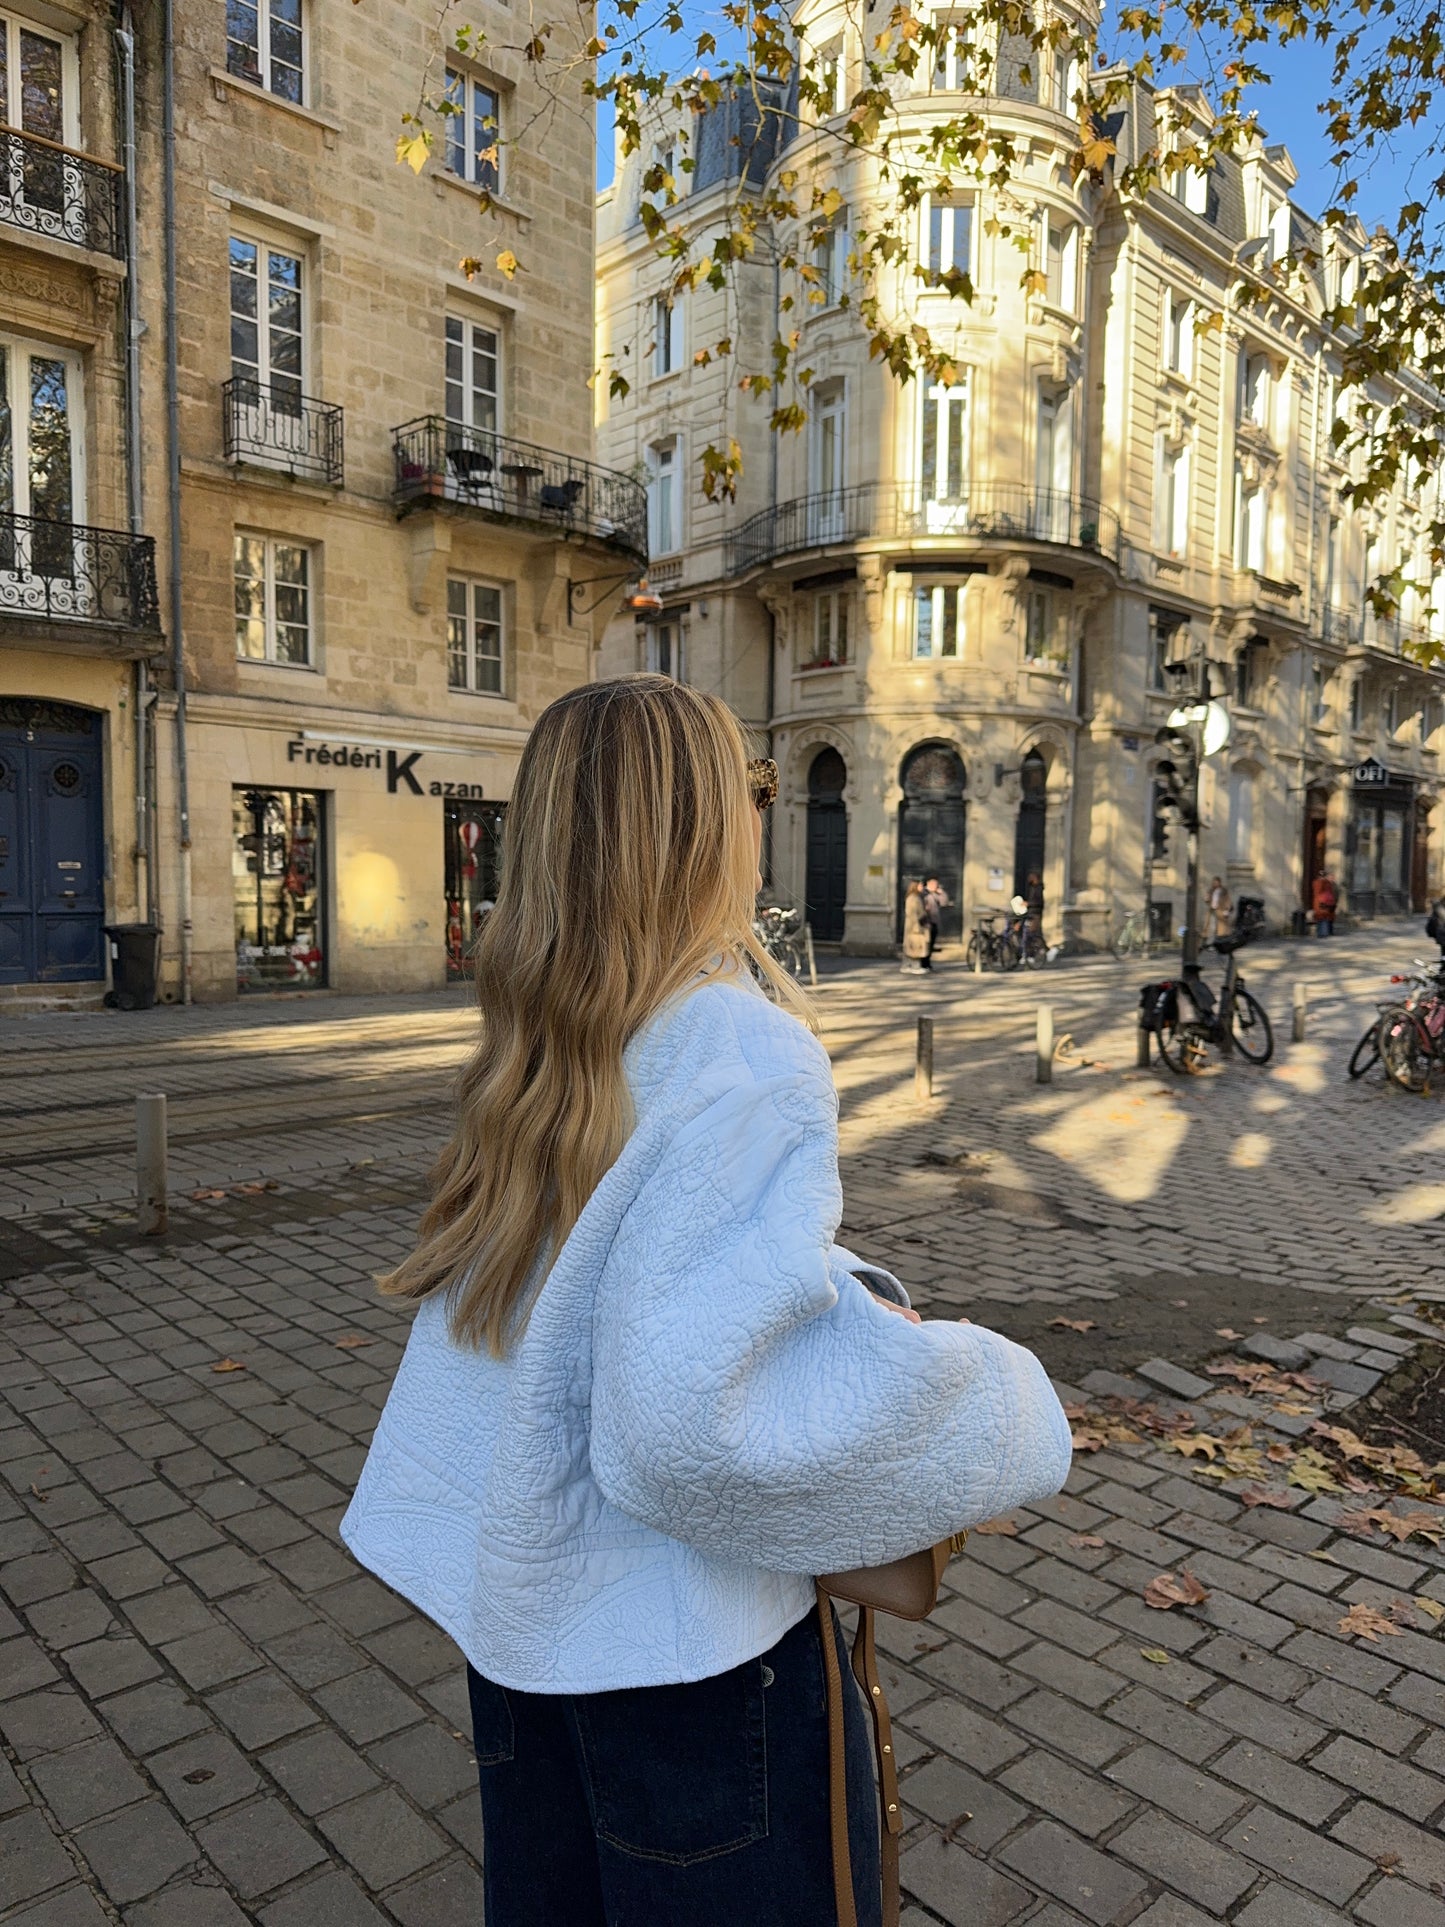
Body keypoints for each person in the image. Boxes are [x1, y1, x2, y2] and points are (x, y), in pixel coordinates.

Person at [340, 678, 1071, 1927]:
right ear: (700, 825)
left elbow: (589, 1303)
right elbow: (696, 1421)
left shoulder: (546, 1035)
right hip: (688, 1655)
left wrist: (823, 1292)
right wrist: (997, 1401)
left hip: (521, 1625)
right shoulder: (739, 1044)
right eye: (753, 790)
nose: (761, 816)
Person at [902, 878, 932, 971]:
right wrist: (917, 927)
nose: (922, 887)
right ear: (915, 886)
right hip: (914, 926)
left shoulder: (917, 897)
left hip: (918, 924)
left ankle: (907, 965)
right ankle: (915, 966)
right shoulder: (912, 899)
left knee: (913, 945)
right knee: (915, 946)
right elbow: (912, 914)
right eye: (920, 885)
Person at [923, 875, 949, 962]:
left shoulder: (936, 894)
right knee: (925, 943)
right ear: (928, 883)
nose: (935, 886)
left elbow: (944, 903)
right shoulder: (924, 893)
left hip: (934, 921)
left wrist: (942, 893)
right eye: (933, 884)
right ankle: (924, 961)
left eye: (936, 884)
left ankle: (928, 961)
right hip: (926, 922)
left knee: (931, 943)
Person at [1205, 875, 1233, 941]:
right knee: (1212, 926)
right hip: (1212, 910)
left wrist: (1227, 910)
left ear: (1219, 882)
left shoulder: (1223, 890)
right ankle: (1211, 942)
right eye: (1214, 882)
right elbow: (1207, 899)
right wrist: (1207, 899)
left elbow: (1228, 900)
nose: (1215, 884)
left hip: (1221, 910)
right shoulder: (1211, 890)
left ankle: (1220, 941)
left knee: (1221, 928)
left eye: (1216, 882)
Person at [1312, 871, 1338, 937]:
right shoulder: (1328, 883)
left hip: (1320, 902)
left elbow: (1316, 892)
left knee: (1321, 918)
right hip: (1326, 902)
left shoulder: (1316, 882)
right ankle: (1324, 933)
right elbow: (1332, 893)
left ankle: (1321, 933)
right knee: (1325, 918)